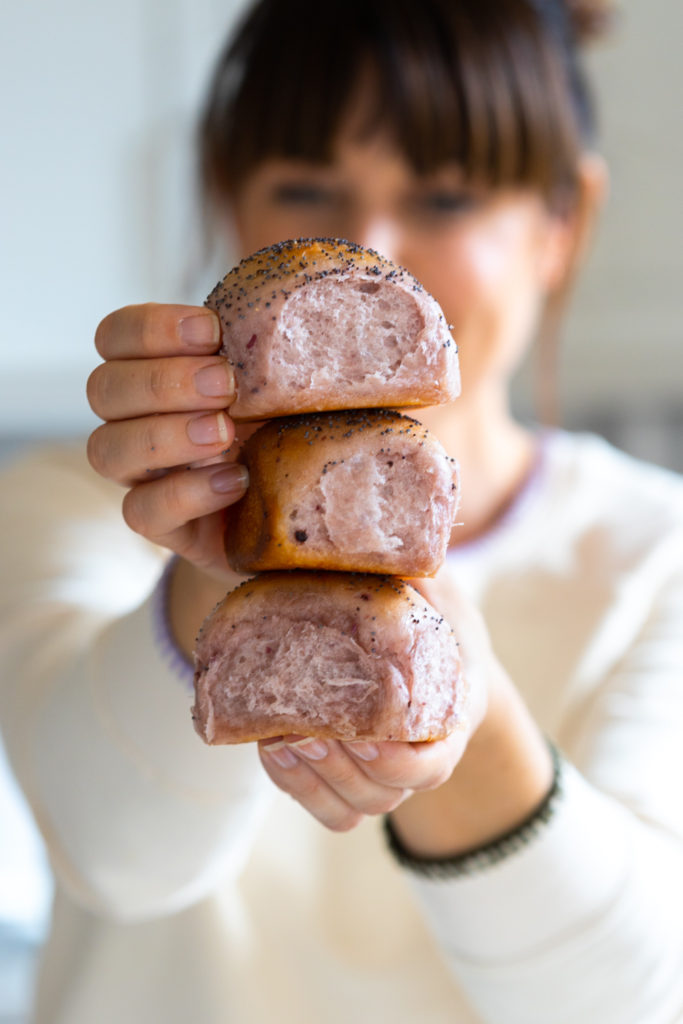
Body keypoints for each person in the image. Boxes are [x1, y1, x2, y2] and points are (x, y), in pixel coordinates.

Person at [2, 1, 683, 1021]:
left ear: (562, 223)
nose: (366, 247)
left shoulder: (656, 553)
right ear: (227, 195)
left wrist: (456, 707)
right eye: (306, 189)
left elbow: (626, 997)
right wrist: (232, 552)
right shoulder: (79, 502)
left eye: (444, 198)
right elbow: (113, 854)